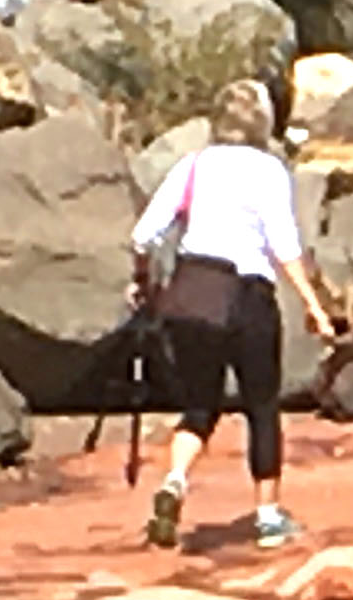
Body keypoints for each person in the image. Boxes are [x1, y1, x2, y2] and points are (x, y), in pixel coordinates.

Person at [130, 79, 338, 549]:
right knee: (261, 406)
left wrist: (144, 280)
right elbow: (283, 246)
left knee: (199, 407)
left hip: (194, 297)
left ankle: (174, 483)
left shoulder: (193, 166)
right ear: (263, 122)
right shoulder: (268, 170)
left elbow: (144, 234)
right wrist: (314, 306)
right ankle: (267, 517)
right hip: (247, 297)